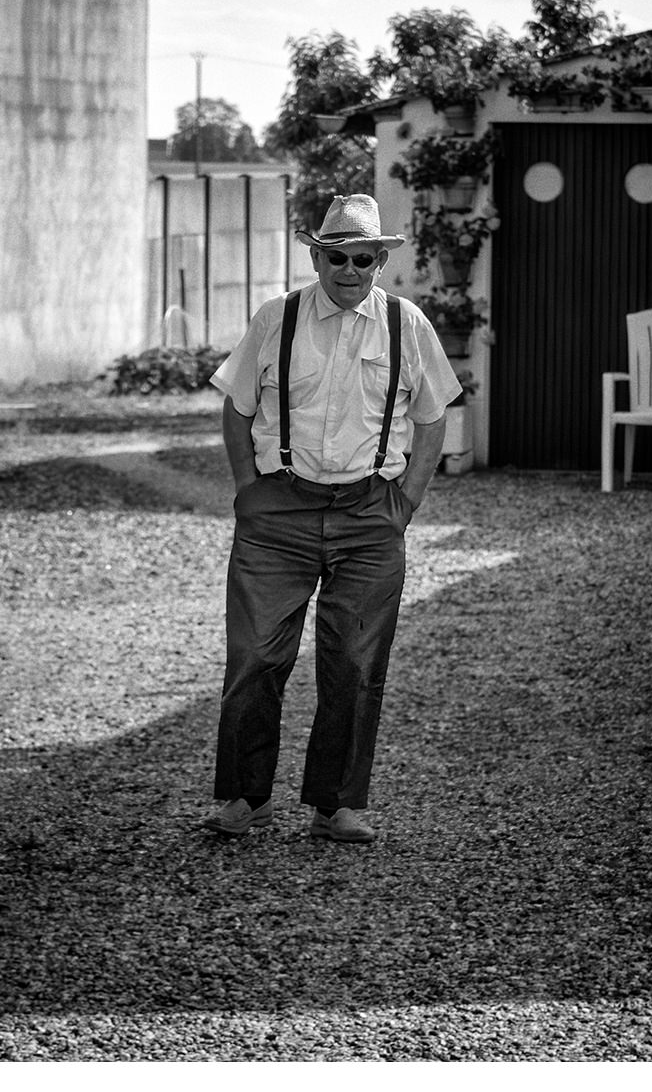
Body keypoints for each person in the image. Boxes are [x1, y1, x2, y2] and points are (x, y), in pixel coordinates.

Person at [206, 193, 462, 842]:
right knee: (254, 656)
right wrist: (248, 491)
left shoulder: (408, 325)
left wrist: (406, 503)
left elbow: (432, 418)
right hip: (278, 513)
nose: (349, 269)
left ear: (381, 262)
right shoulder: (277, 318)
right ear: (316, 257)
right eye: (337, 256)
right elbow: (237, 407)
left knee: (354, 663)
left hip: (370, 515)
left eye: (363, 258)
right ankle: (245, 797)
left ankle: (336, 806)